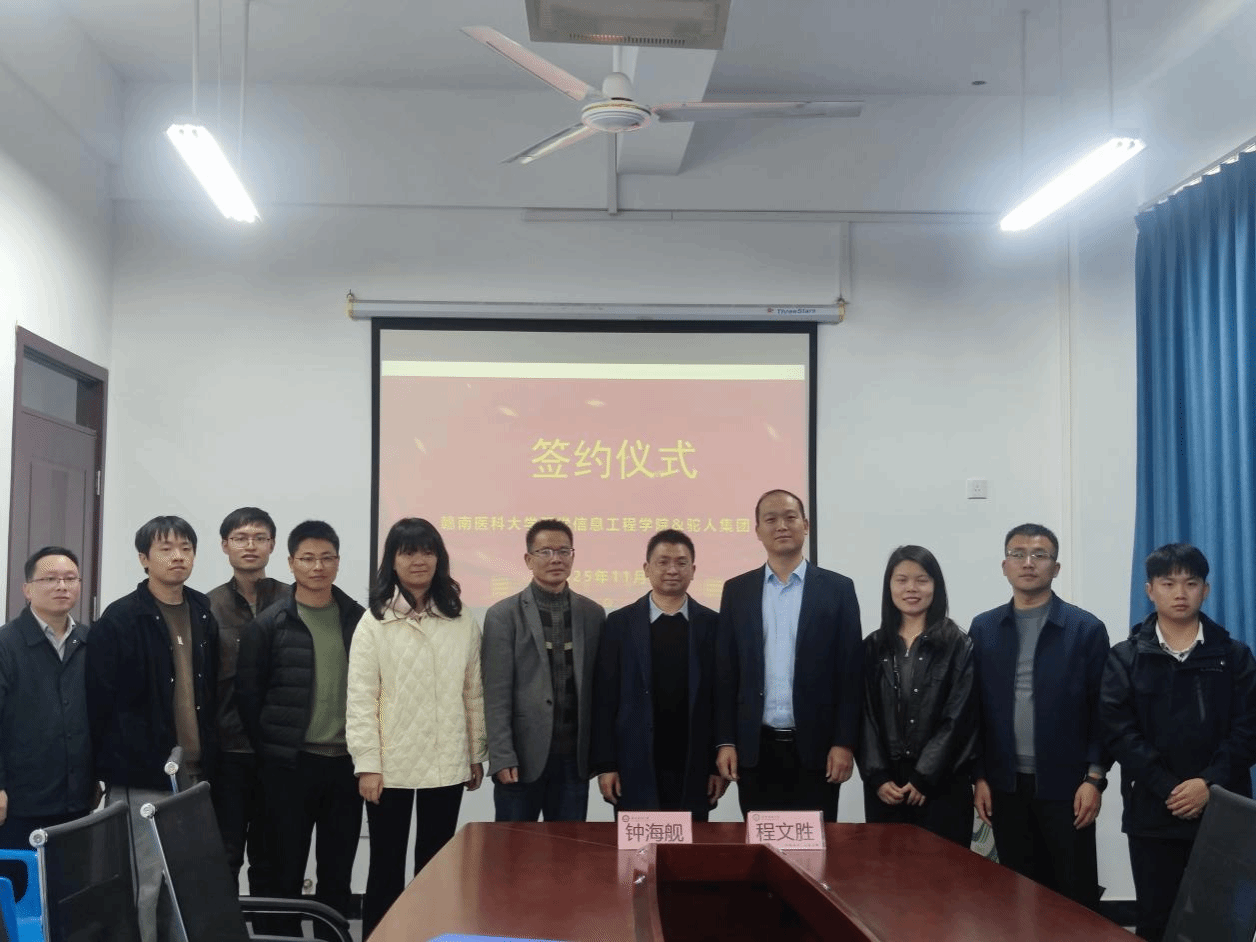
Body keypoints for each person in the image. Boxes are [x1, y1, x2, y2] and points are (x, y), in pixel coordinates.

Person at [1101, 543, 1256, 942]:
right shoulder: (1125, 658)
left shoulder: (1235, 656)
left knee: (1221, 921)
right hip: (1153, 809)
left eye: (1191, 583)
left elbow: (1249, 729)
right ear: (1150, 590)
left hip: (1223, 807)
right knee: (1157, 918)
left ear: (1206, 590)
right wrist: (1169, 787)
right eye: (1168, 583)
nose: (1180, 593)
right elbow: (1119, 732)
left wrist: (1208, 784)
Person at [347, 518, 487, 937]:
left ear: (439, 558)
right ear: (392, 561)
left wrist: (475, 754)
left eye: (428, 551)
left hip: (447, 762)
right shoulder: (374, 622)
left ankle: (430, 935)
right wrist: (367, 764)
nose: (419, 560)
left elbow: (473, 692)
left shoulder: (460, 619)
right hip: (390, 766)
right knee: (386, 863)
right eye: (408, 552)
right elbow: (361, 700)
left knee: (437, 865)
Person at [87, 516, 219, 942]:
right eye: (166, 549)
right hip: (142, 775)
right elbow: (100, 701)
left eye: (186, 548)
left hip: (194, 775)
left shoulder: (202, 609)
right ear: (144, 559)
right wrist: (105, 771)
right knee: (143, 884)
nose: (178, 556)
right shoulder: (122, 617)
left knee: (186, 882)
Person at [969, 523, 1109, 910]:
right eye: (1018, 554)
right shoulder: (984, 628)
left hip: (1068, 786)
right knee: (1018, 893)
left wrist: (1095, 779)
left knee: (1073, 894)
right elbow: (974, 709)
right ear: (1004, 565)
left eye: (1039, 555)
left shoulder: (1085, 629)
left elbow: (1104, 711)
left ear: (1056, 567)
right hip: (1005, 785)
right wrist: (979, 776)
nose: (1028, 563)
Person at [236, 520, 364, 929]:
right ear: (291, 563)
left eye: (327, 558)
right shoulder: (269, 624)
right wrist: (273, 751)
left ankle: (332, 936)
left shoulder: (359, 620)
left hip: (346, 766)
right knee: (284, 869)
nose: (318, 567)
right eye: (307, 559)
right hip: (290, 767)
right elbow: (249, 697)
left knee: (337, 871)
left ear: (338, 562)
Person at [715, 489, 863, 821]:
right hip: (755, 748)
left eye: (790, 517)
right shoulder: (737, 591)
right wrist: (725, 741)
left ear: (806, 525)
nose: (781, 526)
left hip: (818, 750)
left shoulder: (838, 589)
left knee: (815, 842)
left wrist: (844, 743)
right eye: (771, 519)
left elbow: (850, 673)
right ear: (757, 530)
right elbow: (726, 673)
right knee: (761, 842)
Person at [591, 529, 726, 820]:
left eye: (681, 562)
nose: (672, 570)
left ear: (693, 570)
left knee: (691, 846)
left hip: (694, 766)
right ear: (646, 568)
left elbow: (721, 700)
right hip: (633, 765)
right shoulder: (619, 624)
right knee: (637, 847)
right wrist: (606, 765)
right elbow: (604, 700)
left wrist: (715, 766)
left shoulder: (713, 625)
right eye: (663, 562)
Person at [482, 519, 606, 822]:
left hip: (573, 761)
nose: (556, 559)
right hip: (520, 760)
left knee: (567, 848)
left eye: (564, 551)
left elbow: (599, 691)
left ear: (573, 557)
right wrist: (502, 756)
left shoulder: (593, 614)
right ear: (528, 559)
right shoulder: (503, 615)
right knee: (514, 847)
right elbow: (496, 695)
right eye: (546, 551)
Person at [858, 545, 977, 846]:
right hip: (886, 786)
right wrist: (877, 777)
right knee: (889, 870)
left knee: (943, 870)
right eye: (901, 580)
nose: (911, 588)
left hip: (943, 783)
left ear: (936, 586)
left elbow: (959, 718)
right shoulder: (872, 646)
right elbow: (864, 715)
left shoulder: (959, 645)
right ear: (889, 587)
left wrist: (924, 777)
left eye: (922, 580)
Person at [206, 507, 288, 891]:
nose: (250, 546)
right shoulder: (207, 606)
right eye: (240, 538)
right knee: (224, 854)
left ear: (272, 545)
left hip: (280, 751)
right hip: (229, 749)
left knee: (273, 856)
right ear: (225, 545)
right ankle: (223, 924)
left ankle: (272, 924)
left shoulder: (294, 600)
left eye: (259, 538)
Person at [0, 547, 93, 848]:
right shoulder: (6, 644)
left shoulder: (90, 641)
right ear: (27, 589)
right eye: (50, 579)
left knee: (73, 876)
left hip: (77, 800)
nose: (62, 586)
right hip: (19, 802)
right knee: (21, 876)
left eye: (70, 578)